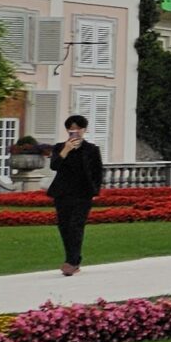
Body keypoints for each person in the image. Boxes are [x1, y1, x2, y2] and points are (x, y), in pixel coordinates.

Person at [47, 113, 105, 276]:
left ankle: (72, 262)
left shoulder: (91, 149)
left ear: (84, 130)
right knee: (64, 226)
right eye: (71, 129)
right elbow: (54, 166)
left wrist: (95, 190)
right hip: (63, 193)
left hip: (83, 194)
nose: (75, 132)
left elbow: (97, 172)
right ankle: (72, 259)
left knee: (76, 226)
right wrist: (66, 149)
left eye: (78, 129)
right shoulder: (59, 147)